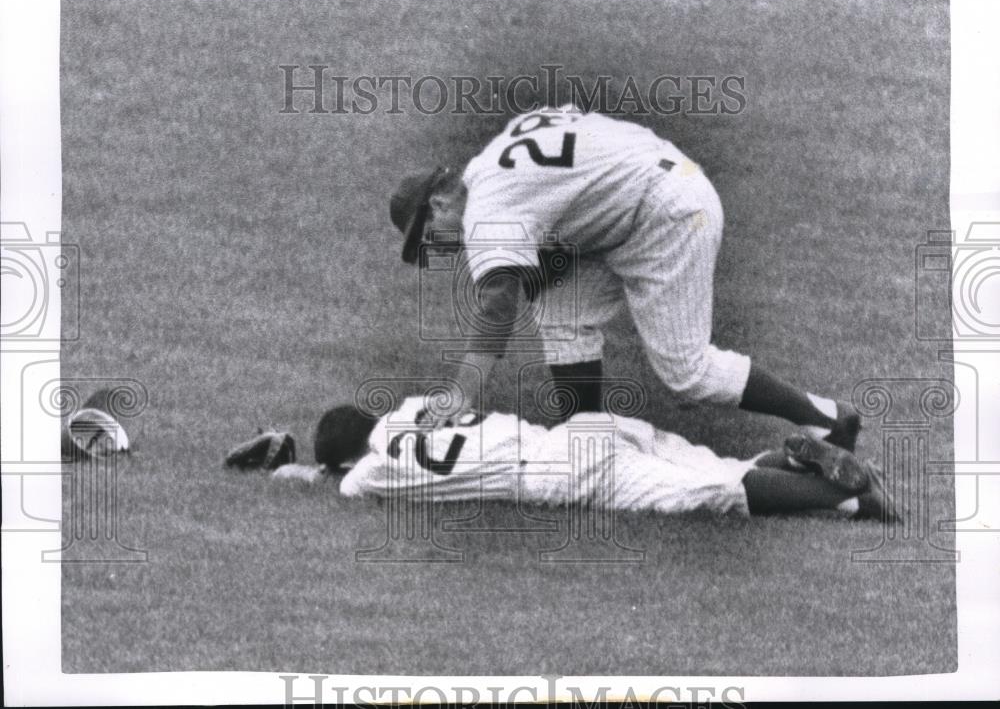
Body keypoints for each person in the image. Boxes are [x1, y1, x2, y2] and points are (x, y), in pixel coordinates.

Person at [390, 104, 861, 450]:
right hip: (652, 187)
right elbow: (550, 244)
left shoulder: (485, 210)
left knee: (687, 372)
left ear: (439, 205)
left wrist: (460, 393)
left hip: (668, 213)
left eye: (429, 237)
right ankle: (588, 447)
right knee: (559, 312)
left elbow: (497, 304)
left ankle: (827, 417)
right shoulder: (489, 164)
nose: (439, 250)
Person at [239, 398, 898, 523]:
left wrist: (282, 469)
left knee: (705, 495)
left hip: (564, 475)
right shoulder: (415, 404)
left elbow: (322, 482)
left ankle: (849, 494)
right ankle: (800, 461)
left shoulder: (366, 476)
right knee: (710, 466)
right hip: (583, 428)